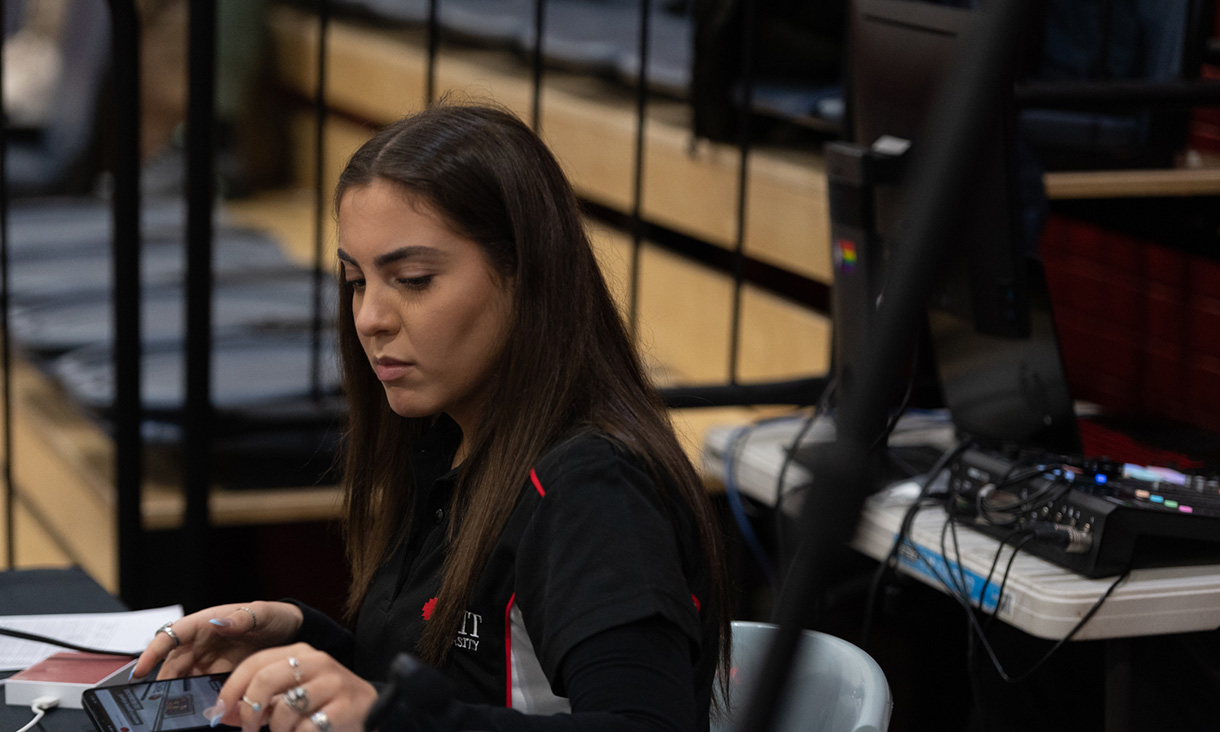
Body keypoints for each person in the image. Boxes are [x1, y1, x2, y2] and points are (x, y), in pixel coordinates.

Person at [132, 102, 732, 732]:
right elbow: (457, 684)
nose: (369, 318)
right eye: (356, 280)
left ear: (525, 275)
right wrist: (310, 649)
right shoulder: (447, 439)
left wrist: (389, 719)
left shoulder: (593, 486)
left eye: (413, 279)